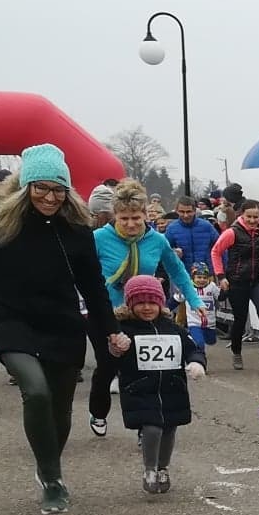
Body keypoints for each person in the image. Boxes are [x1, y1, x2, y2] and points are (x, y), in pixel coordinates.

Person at [0, 143, 123, 514]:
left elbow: (93, 286)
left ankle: (48, 464)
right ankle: (52, 479)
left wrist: (110, 328)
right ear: (26, 187)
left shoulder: (76, 229)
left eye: (58, 189)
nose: (50, 197)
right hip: (12, 322)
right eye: (41, 188)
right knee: (36, 391)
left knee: (60, 410)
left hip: (63, 324)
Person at [88, 180, 202, 434]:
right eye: (124, 218)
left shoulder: (156, 240)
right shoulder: (98, 238)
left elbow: (177, 271)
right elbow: (82, 274)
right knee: (107, 367)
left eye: (136, 218)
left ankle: (147, 426)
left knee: (145, 370)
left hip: (143, 313)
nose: (130, 224)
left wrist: (195, 301)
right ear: (115, 216)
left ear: (145, 216)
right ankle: (98, 412)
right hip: (107, 313)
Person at [111, 274, 207, 494]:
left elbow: (192, 348)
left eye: (152, 302)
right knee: (152, 428)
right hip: (140, 388)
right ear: (130, 304)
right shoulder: (124, 329)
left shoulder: (172, 327)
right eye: (140, 303)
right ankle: (150, 469)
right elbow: (111, 358)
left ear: (160, 303)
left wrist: (196, 362)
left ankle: (163, 467)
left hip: (172, 388)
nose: (147, 308)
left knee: (169, 429)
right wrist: (116, 349)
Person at [210, 198, 259, 368]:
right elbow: (216, 252)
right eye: (249, 216)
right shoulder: (232, 233)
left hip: (258, 279)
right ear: (242, 215)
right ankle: (236, 352)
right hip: (237, 280)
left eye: (256, 217)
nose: (252, 220)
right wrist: (221, 276)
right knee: (240, 318)